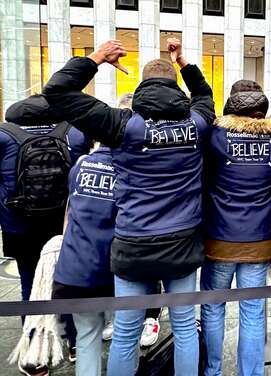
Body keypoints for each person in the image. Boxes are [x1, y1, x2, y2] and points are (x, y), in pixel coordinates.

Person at [43, 38, 215, 376]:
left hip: (133, 243)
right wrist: (183, 63)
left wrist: (96, 58)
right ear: (176, 88)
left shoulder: (120, 125)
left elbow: (57, 91)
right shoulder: (197, 125)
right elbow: (205, 96)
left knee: (125, 332)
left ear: (141, 89)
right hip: (181, 244)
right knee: (183, 329)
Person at [0, 95, 91, 376]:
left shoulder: (4, 135)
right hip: (64, 225)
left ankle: (35, 355)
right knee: (70, 284)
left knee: (30, 285)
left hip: (19, 225)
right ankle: (76, 344)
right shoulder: (73, 133)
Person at [201, 80, 271, 376]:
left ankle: (212, 371)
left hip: (219, 237)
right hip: (259, 239)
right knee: (252, 312)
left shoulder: (214, 136)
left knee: (213, 307)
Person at [100, 93, 163, 348]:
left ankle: (151, 316)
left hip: (147, 221)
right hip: (123, 220)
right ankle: (124, 316)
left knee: (153, 270)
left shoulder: (152, 144)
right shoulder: (112, 148)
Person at [52, 142, 117, 376]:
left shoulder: (80, 165)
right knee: (124, 335)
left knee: (87, 336)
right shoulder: (130, 170)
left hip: (76, 267)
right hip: (113, 267)